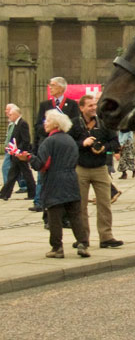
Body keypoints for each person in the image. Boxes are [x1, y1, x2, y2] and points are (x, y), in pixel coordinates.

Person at [14, 109, 90, 259]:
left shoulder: (49, 142)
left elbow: (42, 165)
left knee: (54, 216)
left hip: (54, 181)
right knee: (75, 215)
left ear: (55, 124)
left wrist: (28, 158)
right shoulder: (70, 140)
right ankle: (83, 244)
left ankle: (57, 248)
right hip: (71, 179)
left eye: (47, 120)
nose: (44, 123)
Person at [70, 94, 123, 250]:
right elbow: (68, 142)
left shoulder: (103, 123)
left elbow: (114, 142)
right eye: (90, 105)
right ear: (81, 108)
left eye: (95, 105)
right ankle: (82, 238)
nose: (94, 108)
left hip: (100, 168)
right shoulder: (75, 124)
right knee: (81, 206)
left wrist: (103, 148)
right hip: (81, 168)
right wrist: (82, 143)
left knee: (104, 204)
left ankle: (106, 237)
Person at [32, 77, 80, 212]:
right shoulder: (45, 105)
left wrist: (62, 131)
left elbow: (75, 126)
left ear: (61, 88)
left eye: (52, 85)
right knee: (43, 175)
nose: (50, 87)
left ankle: (63, 203)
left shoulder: (71, 105)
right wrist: (50, 131)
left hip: (63, 147)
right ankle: (40, 201)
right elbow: (38, 126)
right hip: (47, 144)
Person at [0, 105, 36, 201]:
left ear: (16, 115)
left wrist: (18, 151)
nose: (9, 116)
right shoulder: (16, 124)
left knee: (24, 174)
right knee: (14, 174)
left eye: (11, 114)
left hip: (20, 154)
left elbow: (25, 140)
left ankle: (32, 193)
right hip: (16, 154)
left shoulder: (22, 124)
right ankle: (5, 194)